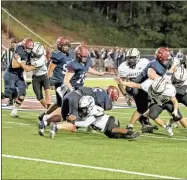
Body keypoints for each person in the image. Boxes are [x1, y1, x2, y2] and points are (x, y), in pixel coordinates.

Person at [116, 76, 187, 136]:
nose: (155, 92)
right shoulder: (148, 84)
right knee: (152, 115)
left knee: (178, 117)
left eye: (157, 91)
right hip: (157, 103)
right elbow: (134, 85)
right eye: (154, 90)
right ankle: (167, 127)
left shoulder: (169, 89)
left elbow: (175, 101)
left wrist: (175, 110)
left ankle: (178, 123)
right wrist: (123, 83)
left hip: (168, 102)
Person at [38, 86, 119, 136]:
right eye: (113, 98)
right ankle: (56, 127)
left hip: (71, 94)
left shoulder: (99, 90)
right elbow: (96, 113)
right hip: (77, 100)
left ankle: (44, 122)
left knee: (64, 117)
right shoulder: (106, 100)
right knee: (73, 125)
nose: (112, 100)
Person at [49, 96, 140, 139]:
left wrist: (73, 122)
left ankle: (130, 132)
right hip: (104, 129)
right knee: (114, 136)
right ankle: (127, 135)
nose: (83, 110)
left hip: (110, 121)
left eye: (85, 108)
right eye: (83, 108)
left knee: (112, 130)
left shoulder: (95, 110)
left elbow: (85, 124)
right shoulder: (87, 109)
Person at [117, 48, 157, 133]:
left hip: (146, 85)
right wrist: (125, 95)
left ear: (138, 57)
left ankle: (145, 122)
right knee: (141, 103)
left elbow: (152, 73)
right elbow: (121, 83)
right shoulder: (123, 67)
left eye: (133, 57)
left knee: (149, 106)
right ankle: (142, 123)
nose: (131, 60)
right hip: (133, 88)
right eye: (129, 57)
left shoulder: (145, 62)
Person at [4, 38, 34, 117]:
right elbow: (14, 65)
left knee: (23, 93)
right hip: (10, 73)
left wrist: (24, 64)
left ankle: (14, 111)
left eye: (31, 49)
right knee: (7, 94)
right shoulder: (19, 50)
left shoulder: (31, 52)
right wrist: (23, 63)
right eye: (28, 48)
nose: (29, 50)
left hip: (19, 74)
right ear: (24, 47)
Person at [30, 42, 51, 108]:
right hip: (35, 77)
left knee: (47, 92)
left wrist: (26, 66)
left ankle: (49, 110)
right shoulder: (30, 53)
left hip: (44, 76)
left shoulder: (42, 58)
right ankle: (47, 109)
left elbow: (32, 66)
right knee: (39, 97)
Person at [2, 38, 18, 106]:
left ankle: (13, 100)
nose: (13, 44)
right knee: (10, 88)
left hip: (16, 73)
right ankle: (10, 100)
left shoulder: (18, 52)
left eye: (14, 42)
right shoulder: (5, 51)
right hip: (8, 72)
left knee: (16, 88)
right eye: (12, 42)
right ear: (10, 43)